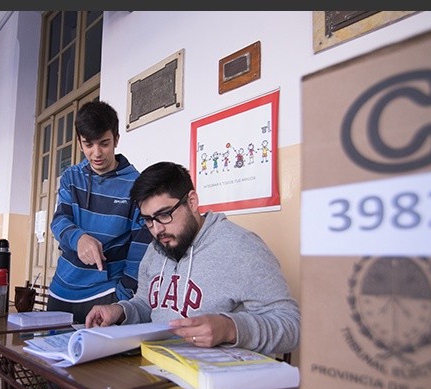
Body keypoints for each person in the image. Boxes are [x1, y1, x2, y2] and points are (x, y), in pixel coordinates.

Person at [86, 161, 300, 356]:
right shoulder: (157, 247)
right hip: (156, 369)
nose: (157, 229)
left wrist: (230, 329)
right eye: (148, 220)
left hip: (218, 384)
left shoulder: (242, 248)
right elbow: (146, 304)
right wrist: (121, 311)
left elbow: (293, 326)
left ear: (192, 201)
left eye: (164, 214)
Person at [47, 99, 152, 324]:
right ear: (80, 142)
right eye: (88, 144)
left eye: (104, 143)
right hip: (61, 290)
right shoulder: (71, 177)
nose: (96, 153)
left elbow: (141, 247)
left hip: (105, 295)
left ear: (116, 139)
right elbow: (59, 221)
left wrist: (122, 297)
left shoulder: (137, 184)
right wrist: (79, 238)